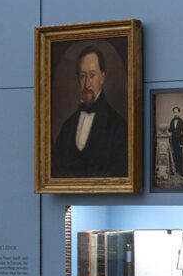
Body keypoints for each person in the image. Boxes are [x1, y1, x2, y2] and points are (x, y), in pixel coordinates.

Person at [50, 45, 128, 178]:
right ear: (77, 79)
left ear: (102, 77)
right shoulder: (67, 127)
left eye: (92, 75)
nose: (87, 84)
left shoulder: (119, 126)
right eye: (82, 76)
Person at [167, 106, 183, 178]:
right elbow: (170, 130)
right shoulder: (172, 121)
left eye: (176, 112)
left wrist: (182, 143)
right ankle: (176, 169)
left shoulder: (181, 121)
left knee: (180, 155)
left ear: (179, 112)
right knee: (175, 155)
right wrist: (168, 132)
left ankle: (181, 171)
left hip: (179, 141)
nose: (175, 113)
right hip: (174, 140)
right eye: (174, 112)